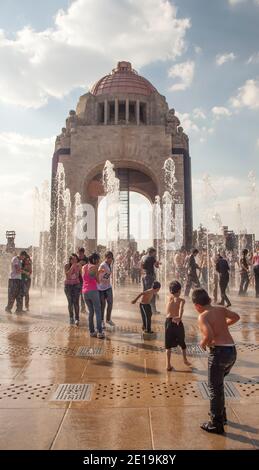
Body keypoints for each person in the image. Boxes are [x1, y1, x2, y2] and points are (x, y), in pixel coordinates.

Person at [192, 288, 240, 434]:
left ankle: (216, 423)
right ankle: (221, 415)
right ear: (209, 300)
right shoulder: (220, 309)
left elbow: (209, 335)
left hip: (218, 353)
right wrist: (224, 325)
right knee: (218, 385)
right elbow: (236, 317)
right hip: (231, 351)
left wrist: (202, 344)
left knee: (214, 388)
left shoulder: (203, 316)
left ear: (197, 306)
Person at [165, 281, 191, 371]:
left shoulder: (168, 297)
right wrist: (180, 317)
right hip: (177, 322)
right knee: (182, 342)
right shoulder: (181, 300)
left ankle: (168, 365)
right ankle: (185, 360)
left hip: (168, 322)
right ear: (179, 290)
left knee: (167, 345)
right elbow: (181, 308)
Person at [82, 253, 104, 339]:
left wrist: (97, 272)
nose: (99, 261)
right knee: (98, 311)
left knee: (91, 312)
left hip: (85, 291)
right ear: (94, 260)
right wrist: (99, 273)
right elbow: (98, 281)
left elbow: (87, 277)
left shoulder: (84, 267)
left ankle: (91, 331)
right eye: (98, 259)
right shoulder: (94, 267)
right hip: (93, 291)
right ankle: (100, 332)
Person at [98, 251, 115, 328]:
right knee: (103, 305)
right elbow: (98, 275)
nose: (110, 259)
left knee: (110, 303)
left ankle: (108, 319)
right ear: (105, 258)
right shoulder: (103, 265)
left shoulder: (110, 264)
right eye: (108, 258)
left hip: (108, 287)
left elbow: (108, 275)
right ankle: (101, 321)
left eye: (111, 258)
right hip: (101, 288)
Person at [64, 254, 82, 326]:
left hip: (76, 285)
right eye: (73, 259)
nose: (75, 261)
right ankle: (71, 317)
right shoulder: (67, 266)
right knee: (70, 302)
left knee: (76, 302)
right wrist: (72, 267)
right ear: (70, 260)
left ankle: (77, 318)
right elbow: (67, 276)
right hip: (68, 286)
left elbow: (82, 275)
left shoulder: (79, 266)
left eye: (76, 259)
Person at [141, 247, 160, 314]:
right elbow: (157, 266)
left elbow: (142, 266)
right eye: (155, 252)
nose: (155, 254)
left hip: (144, 276)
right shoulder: (152, 258)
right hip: (150, 276)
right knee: (152, 293)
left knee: (146, 292)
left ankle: (144, 308)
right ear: (152, 252)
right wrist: (158, 263)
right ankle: (153, 310)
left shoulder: (144, 257)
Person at [77, 247, 89, 313]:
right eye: (79, 253)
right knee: (76, 295)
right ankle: (76, 309)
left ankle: (83, 308)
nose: (79, 255)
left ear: (83, 253)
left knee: (82, 295)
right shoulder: (76, 259)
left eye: (81, 254)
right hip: (76, 279)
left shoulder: (87, 259)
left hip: (83, 280)